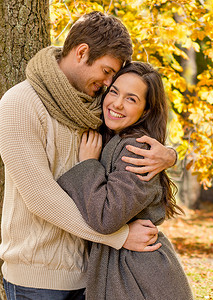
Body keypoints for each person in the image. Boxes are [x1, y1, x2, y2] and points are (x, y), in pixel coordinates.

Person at [0, 11, 177, 299]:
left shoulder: (96, 105)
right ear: (82, 53)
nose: (109, 84)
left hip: (92, 276)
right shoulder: (20, 104)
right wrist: (119, 237)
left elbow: (138, 127)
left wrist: (170, 155)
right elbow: (40, 197)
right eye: (107, 71)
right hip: (38, 280)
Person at [57, 61, 193, 300]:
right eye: (114, 92)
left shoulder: (137, 148)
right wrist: (171, 155)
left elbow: (106, 217)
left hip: (138, 276)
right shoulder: (114, 137)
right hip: (126, 269)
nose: (117, 103)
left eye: (131, 99)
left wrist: (88, 165)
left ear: (146, 110)